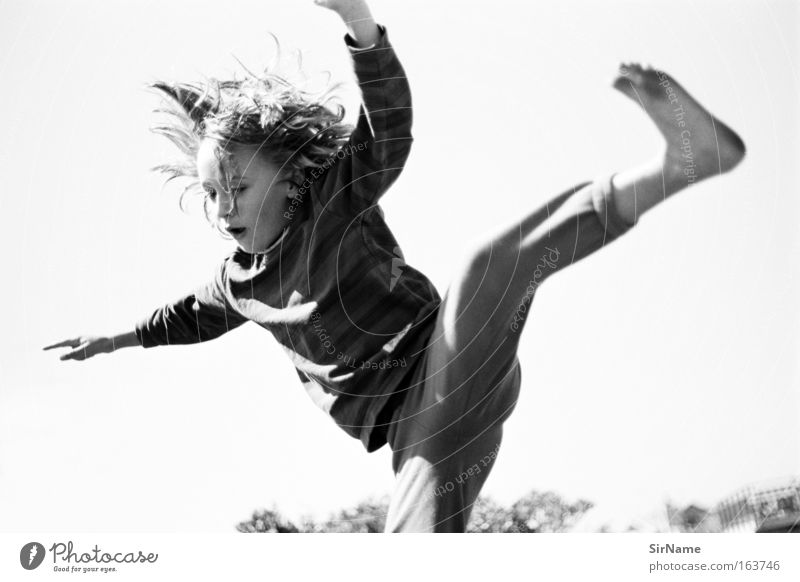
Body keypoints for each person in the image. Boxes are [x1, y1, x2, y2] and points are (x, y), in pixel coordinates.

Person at [43, 0, 745, 532]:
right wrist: (120, 338)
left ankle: (684, 161)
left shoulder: (334, 200)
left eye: (240, 189)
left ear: (289, 180)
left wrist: (358, 21)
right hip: (418, 436)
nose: (225, 208)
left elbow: (390, 128)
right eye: (212, 195)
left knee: (483, 269)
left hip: (445, 358)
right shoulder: (238, 281)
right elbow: (188, 316)